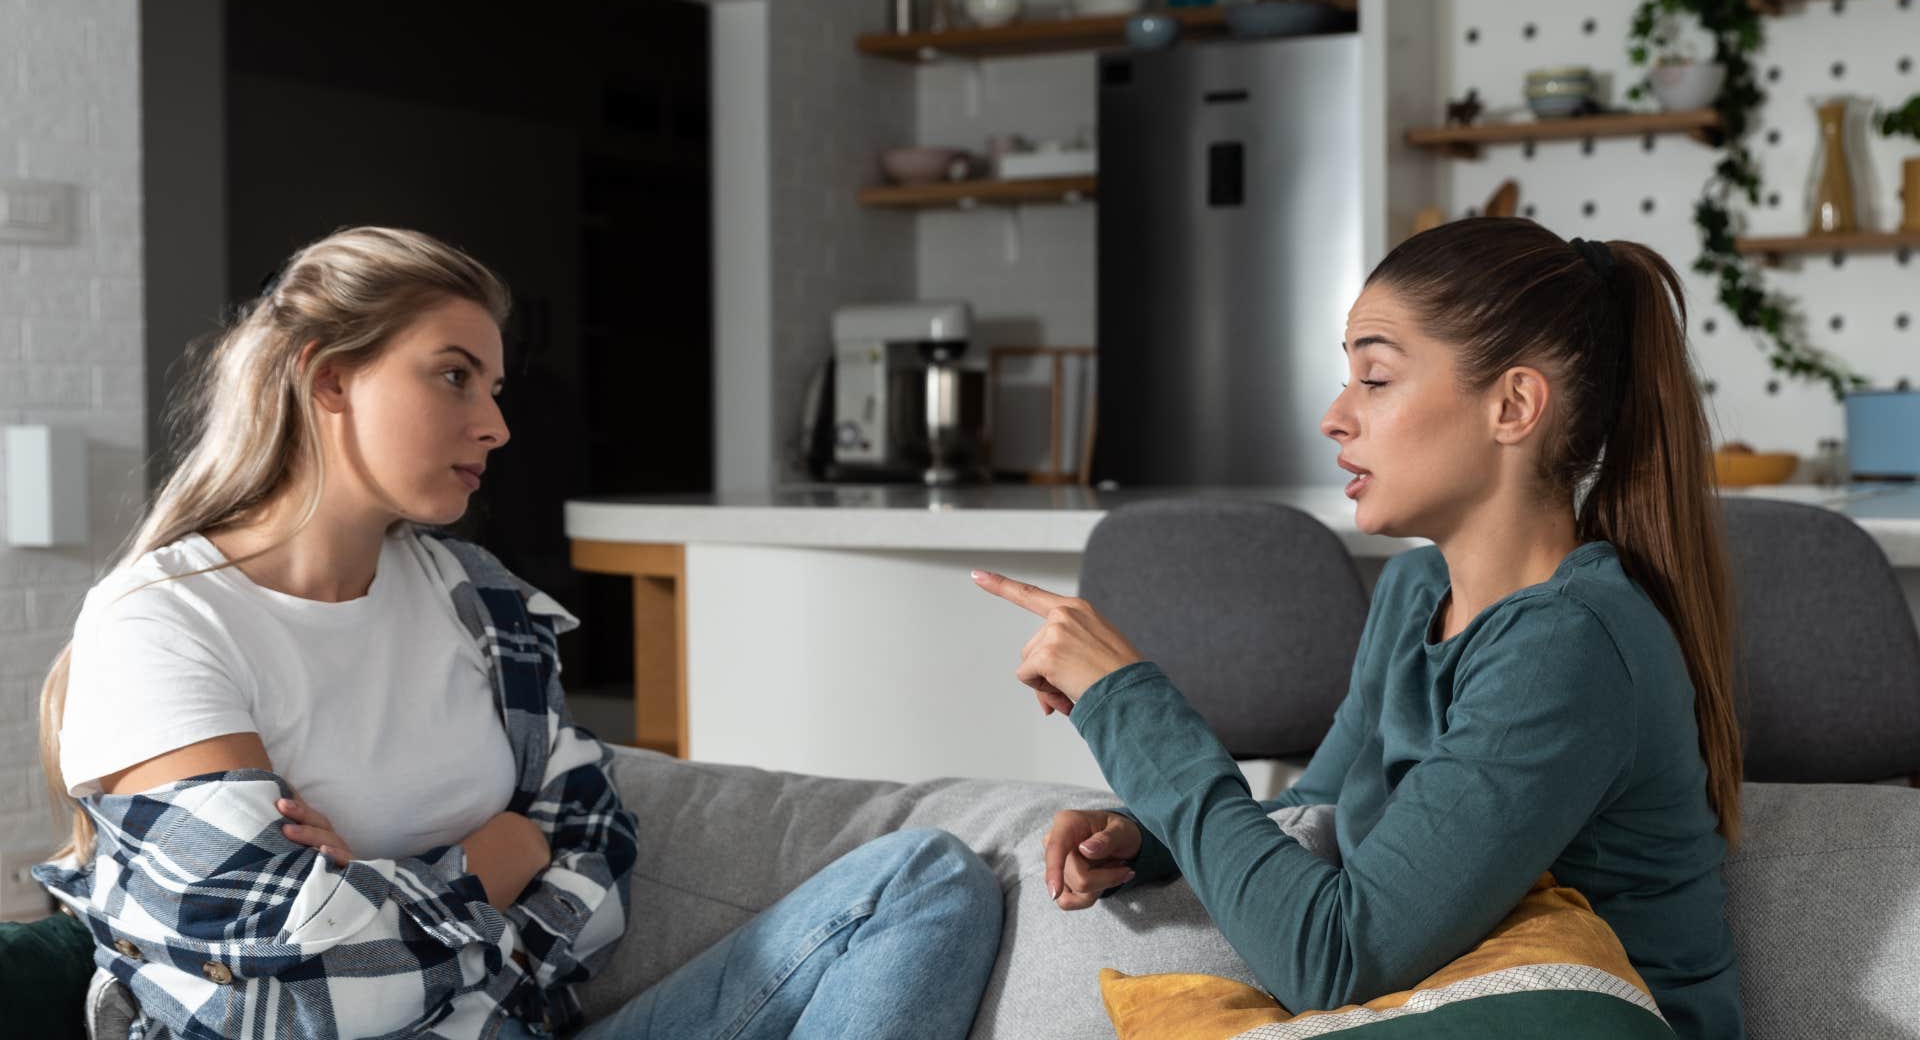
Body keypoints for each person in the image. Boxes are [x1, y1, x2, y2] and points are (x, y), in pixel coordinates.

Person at [35, 227, 1003, 1040]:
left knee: (928, 880)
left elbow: (594, 857)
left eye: (493, 387)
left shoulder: (477, 599)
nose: (495, 425)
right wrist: (489, 861)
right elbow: (277, 1005)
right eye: (454, 377)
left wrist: (373, 894)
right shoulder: (159, 625)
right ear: (329, 381)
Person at [974, 218, 1746, 1040]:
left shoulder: (1570, 644)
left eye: (1375, 378)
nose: (1335, 418)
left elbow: (1334, 958)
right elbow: (1322, 808)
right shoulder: (1416, 593)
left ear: (1513, 405)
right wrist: (1148, 837)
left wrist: (1129, 709)